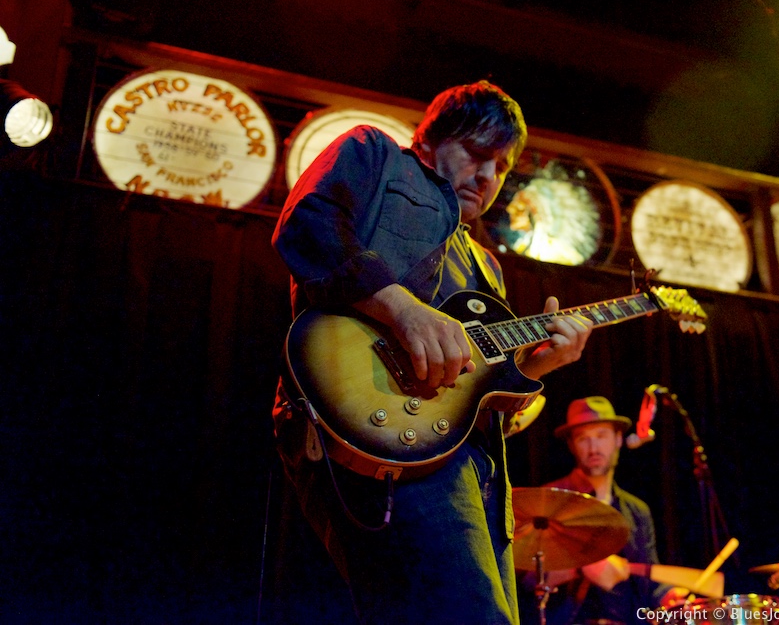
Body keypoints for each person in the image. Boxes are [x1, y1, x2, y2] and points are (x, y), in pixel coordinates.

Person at [270, 80, 593, 625]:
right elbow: (308, 223)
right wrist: (402, 308)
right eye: (476, 153)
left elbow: (485, 393)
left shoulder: (487, 266)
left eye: (502, 167)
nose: (488, 176)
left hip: (469, 460)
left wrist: (540, 364)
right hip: (373, 425)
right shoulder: (374, 153)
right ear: (429, 138)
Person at [523, 396, 683, 625]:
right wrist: (582, 567)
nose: (594, 448)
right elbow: (528, 579)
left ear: (618, 439)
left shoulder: (637, 511)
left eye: (601, 436)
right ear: (571, 445)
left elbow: (649, 581)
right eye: (583, 439)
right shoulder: (548, 501)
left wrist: (668, 596)